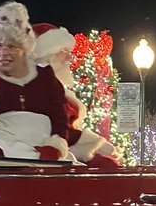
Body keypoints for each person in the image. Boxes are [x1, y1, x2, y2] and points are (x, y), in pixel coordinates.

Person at [0, 0, 79, 160]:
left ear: (24, 47)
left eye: (11, 46)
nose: (3, 52)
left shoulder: (45, 78)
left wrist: (55, 146)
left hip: (43, 164)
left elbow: (59, 119)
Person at [32, 23, 120, 164]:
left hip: (66, 149)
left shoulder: (56, 87)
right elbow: (57, 127)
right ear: (48, 54)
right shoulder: (41, 87)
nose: (70, 59)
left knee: (109, 165)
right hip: (53, 152)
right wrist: (98, 144)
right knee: (108, 166)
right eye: (65, 51)